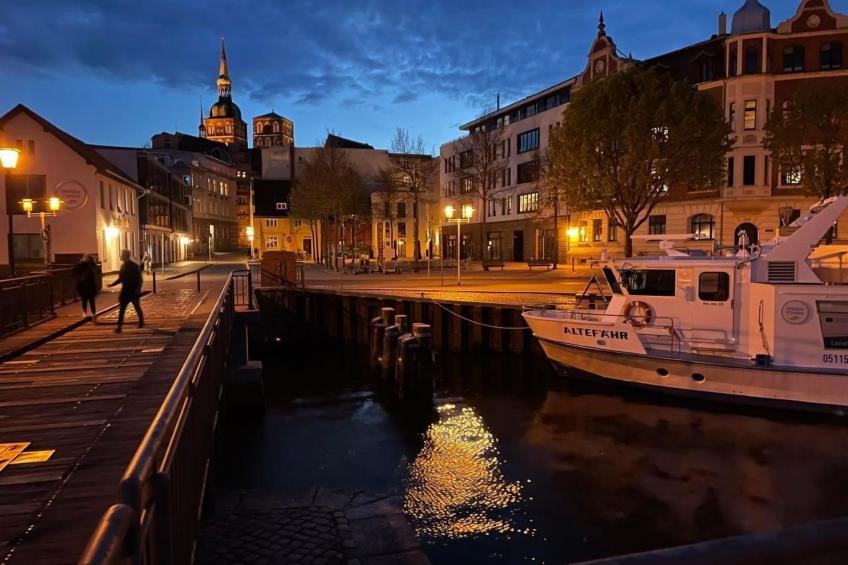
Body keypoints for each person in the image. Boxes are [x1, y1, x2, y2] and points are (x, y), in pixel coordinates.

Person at [109, 249, 144, 333]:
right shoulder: (123, 266)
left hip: (132, 291)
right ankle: (119, 327)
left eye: (121, 255)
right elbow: (121, 278)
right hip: (125, 291)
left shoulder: (134, 266)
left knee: (137, 307)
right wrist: (113, 284)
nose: (120, 256)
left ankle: (141, 321)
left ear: (125, 256)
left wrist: (137, 290)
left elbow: (139, 280)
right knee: (122, 310)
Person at [73, 254, 99, 322]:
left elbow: (75, 271)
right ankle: (91, 314)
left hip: (86, 286)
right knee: (89, 300)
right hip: (88, 286)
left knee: (87, 300)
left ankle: (87, 313)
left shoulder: (84, 265)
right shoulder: (89, 265)